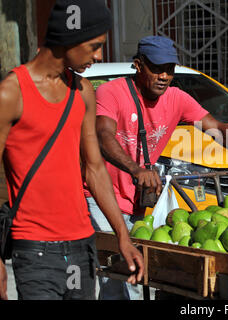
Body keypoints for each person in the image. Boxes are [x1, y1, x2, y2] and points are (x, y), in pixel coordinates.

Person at [85, 35, 228, 300]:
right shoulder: (111, 92)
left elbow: (217, 129)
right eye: (157, 68)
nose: (164, 76)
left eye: (169, 69)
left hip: (138, 201)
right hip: (101, 196)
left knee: (140, 276)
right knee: (119, 276)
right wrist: (136, 169)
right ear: (138, 65)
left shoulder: (177, 98)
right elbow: (103, 135)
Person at [0, 0, 143, 300]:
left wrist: (123, 236)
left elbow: (94, 169)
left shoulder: (83, 92)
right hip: (35, 250)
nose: (99, 55)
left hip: (81, 248)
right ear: (69, 39)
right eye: (94, 46)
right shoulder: (11, 93)